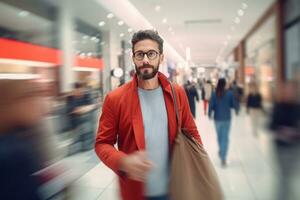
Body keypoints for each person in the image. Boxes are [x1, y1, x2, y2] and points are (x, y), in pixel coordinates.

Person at [94, 30, 202, 200]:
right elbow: (102, 143)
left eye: (151, 54)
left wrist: (200, 165)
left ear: (161, 57)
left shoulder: (177, 93)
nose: (145, 60)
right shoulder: (115, 99)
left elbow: (192, 132)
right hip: (136, 192)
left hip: (175, 189)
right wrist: (122, 161)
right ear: (133, 58)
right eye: (140, 54)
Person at [270, 81, 300, 200]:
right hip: (281, 147)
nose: (289, 93)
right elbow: (271, 125)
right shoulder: (278, 106)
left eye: (291, 90)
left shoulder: (298, 108)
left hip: (294, 147)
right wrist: (281, 131)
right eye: (286, 90)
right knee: (284, 176)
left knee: (290, 175)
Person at [208, 78, 239, 167]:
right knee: (225, 138)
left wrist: (209, 114)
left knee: (219, 137)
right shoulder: (229, 93)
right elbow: (233, 104)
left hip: (217, 119)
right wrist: (236, 109)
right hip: (227, 119)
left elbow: (211, 105)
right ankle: (223, 158)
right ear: (225, 84)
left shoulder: (215, 94)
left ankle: (222, 151)